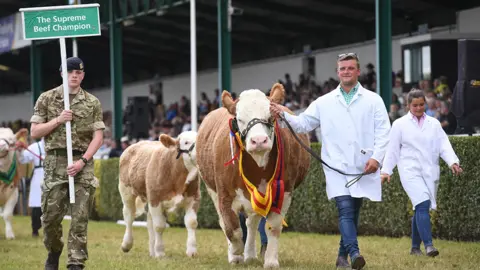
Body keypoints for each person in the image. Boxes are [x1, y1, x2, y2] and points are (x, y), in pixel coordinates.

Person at [270, 53, 391, 270]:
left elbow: (384, 132)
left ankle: (341, 258)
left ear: (358, 71)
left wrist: (376, 158)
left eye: (350, 68)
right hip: (335, 166)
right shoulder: (324, 102)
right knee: (345, 209)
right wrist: (282, 113)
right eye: (343, 68)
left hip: (364, 165)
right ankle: (355, 254)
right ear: (337, 72)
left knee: (353, 211)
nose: (346, 71)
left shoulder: (374, 100)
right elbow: (302, 124)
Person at [29, 56, 105, 270]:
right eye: (70, 71)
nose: (75, 75)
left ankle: (76, 262)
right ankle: (54, 251)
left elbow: (98, 137)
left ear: (83, 75)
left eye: (79, 72)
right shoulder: (47, 98)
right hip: (55, 162)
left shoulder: (92, 102)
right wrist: (58, 120)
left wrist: (83, 161)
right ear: (62, 73)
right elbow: (35, 132)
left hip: (82, 162)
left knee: (80, 218)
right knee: (50, 218)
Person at [380, 88, 463, 257]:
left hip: (430, 170)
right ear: (408, 105)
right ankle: (429, 246)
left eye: (421, 105)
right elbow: (392, 150)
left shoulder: (434, 124)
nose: (418, 108)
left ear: (425, 104)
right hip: (409, 171)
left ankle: (414, 248)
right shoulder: (399, 125)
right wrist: (386, 171)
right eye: (415, 105)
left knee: (420, 207)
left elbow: (444, 145)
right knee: (423, 203)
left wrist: (453, 162)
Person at [16, 137, 46, 237]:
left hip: (54, 176)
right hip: (38, 176)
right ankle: (35, 229)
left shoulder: (59, 145)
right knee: (37, 205)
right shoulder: (35, 147)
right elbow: (22, 159)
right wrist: (20, 151)